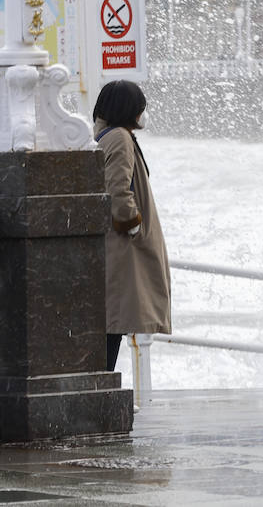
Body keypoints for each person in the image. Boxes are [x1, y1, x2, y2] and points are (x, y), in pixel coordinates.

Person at [93, 80, 171, 373]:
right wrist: (133, 224)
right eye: (139, 108)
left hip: (117, 246)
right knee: (115, 321)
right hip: (125, 247)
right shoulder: (120, 139)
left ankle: (102, 387)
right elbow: (118, 189)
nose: (142, 114)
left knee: (114, 321)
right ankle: (103, 391)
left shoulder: (105, 135)